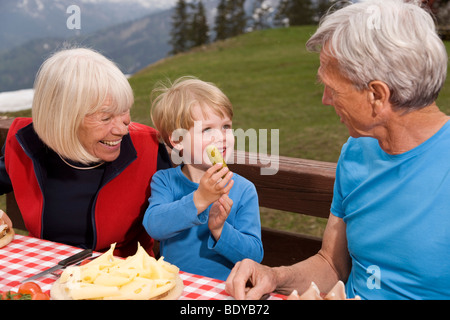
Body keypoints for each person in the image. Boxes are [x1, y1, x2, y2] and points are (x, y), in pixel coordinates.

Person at [225, 0, 450, 300]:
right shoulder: (356, 151)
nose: (325, 99)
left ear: (377, 95)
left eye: (332, 87)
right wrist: (274, 276)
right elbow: (331, 263)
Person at [0, 48, 171, 257]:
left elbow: (188, 214)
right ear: (63, 119)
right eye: (106, 118)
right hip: (46, 273)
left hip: (127, 279)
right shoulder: (25, 144)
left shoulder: (149, 149)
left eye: (125, 110)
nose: (123, 129)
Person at [143, 77, 264, 281]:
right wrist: (199, 199)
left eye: (226, 126)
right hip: (174, 287)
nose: (221, 136)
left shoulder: (243, 190)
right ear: (178, 140)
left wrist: (219, 229)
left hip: (223, 290)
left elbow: (254, 256)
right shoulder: (164, 181)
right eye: (207, 129)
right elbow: (154, 226)